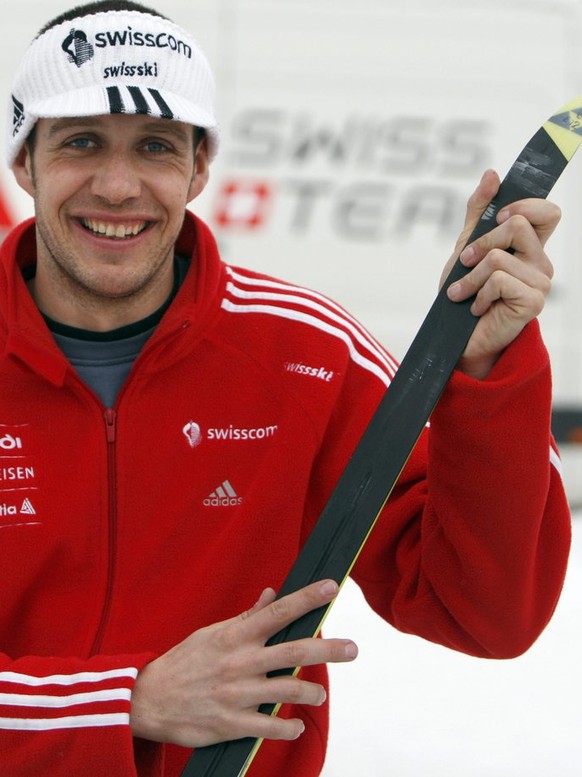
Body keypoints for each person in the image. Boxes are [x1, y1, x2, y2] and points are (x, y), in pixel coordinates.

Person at [0, 2, 571, 775]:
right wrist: (126, 700)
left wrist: (483, 373)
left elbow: (486, 614)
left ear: (199, 168)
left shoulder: (309, 353)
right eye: (81, 142)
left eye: (157, 147)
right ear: (23, 161)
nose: (117, 184)